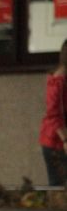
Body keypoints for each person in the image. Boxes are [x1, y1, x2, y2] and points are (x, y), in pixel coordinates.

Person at [40, 39, 67, 186]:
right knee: (59, 189)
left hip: (57, 142)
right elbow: (53, 113)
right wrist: (65, 140)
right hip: (56, 144)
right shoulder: (58, 82)